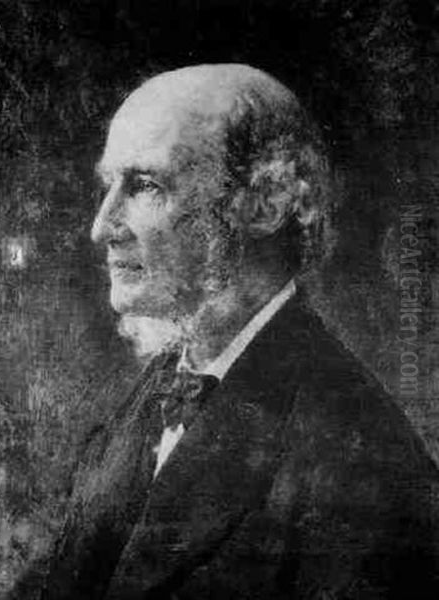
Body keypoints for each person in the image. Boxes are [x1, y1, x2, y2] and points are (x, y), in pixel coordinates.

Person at [39, 64, 439, 599]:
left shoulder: (366, 471)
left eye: (145, 185)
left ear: (265, 203)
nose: (100, 227)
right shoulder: (157, 392)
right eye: (110, 185)